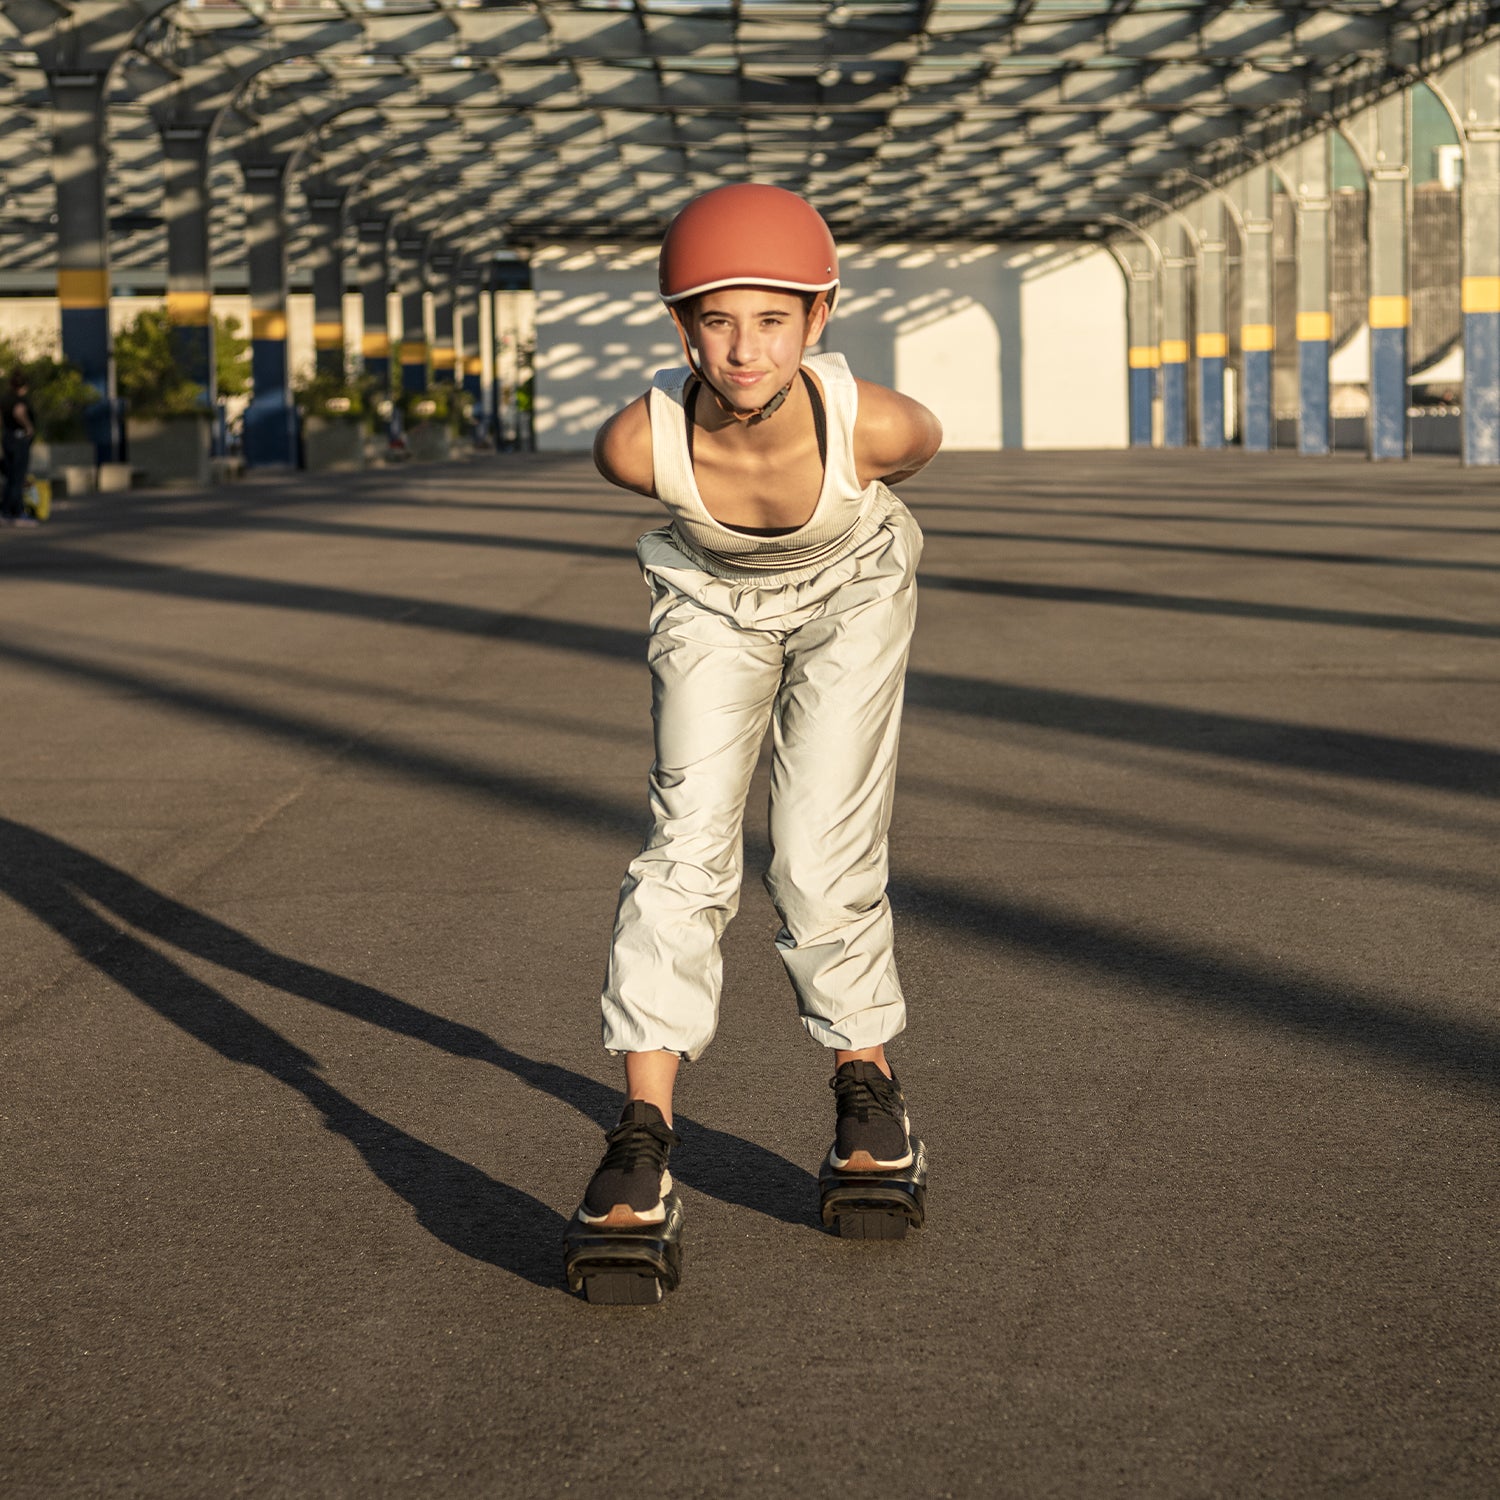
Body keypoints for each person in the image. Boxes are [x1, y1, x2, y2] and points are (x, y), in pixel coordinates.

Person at [577, 184, 943, 1233]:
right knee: (683, 847)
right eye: (717, 320)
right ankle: (641, 1138)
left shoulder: (877, 425)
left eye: (773, 320)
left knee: (818, 849)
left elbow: (914, 460)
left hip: (855, 588)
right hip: (705, 599)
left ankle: (866, 1094)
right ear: (681, 326)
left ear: (818, 321)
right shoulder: (637, 447)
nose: (745, 352)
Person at [1, 370, 38, 528]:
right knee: (18, 477)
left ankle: (5, 511)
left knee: (10, 476)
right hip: (19, 438)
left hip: (8, 438)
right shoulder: (20, 399)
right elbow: (19, 412)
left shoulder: (5, 399)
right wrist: (29, 427)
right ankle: (15, 511)